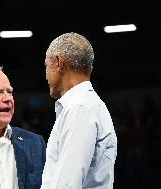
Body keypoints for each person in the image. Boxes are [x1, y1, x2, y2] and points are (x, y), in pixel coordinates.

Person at [41, 32, 117, 189]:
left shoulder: (80, 109)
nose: (46, 75)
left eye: (46, 66)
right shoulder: (84, 106)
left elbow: (67, 184)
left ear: (59, 63)